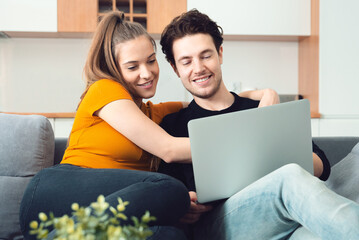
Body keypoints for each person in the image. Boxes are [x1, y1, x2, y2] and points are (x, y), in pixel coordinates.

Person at [19, 11, 278, 240]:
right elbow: (169, 149)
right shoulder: (103, 91)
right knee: (171, 190)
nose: (147, 72)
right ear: (115, 69)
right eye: (133, 66)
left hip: (110, 209)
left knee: (172, 234)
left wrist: (265, 94)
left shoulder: (152, 114)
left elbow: (207, 94)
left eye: (151, 61)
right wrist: (250, 143)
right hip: (55, 194)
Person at [157, 9, 359, 240]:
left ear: (220, 54)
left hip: (282, 216)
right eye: (186, 61)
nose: (199, 68)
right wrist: (186, 204)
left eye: (206, 55)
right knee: (289, 176)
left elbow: (321, 164)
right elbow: (167, 193)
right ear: (175, 69)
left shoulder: (258, 108)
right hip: (218, 226)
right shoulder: (173, 126)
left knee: (310, 236)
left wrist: (278, 159)